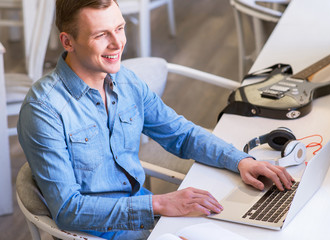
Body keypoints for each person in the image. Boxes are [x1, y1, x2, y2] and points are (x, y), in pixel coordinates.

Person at [17, 0, 293, 239]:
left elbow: (180, 134)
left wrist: (240, 160)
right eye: (101, 35)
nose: (118, 43)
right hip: (92, 232)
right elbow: (68, 211)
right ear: (68, 41)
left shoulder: (124, 80)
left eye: (120, 28)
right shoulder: (43, 110)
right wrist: (158, 205)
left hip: (146, 213)